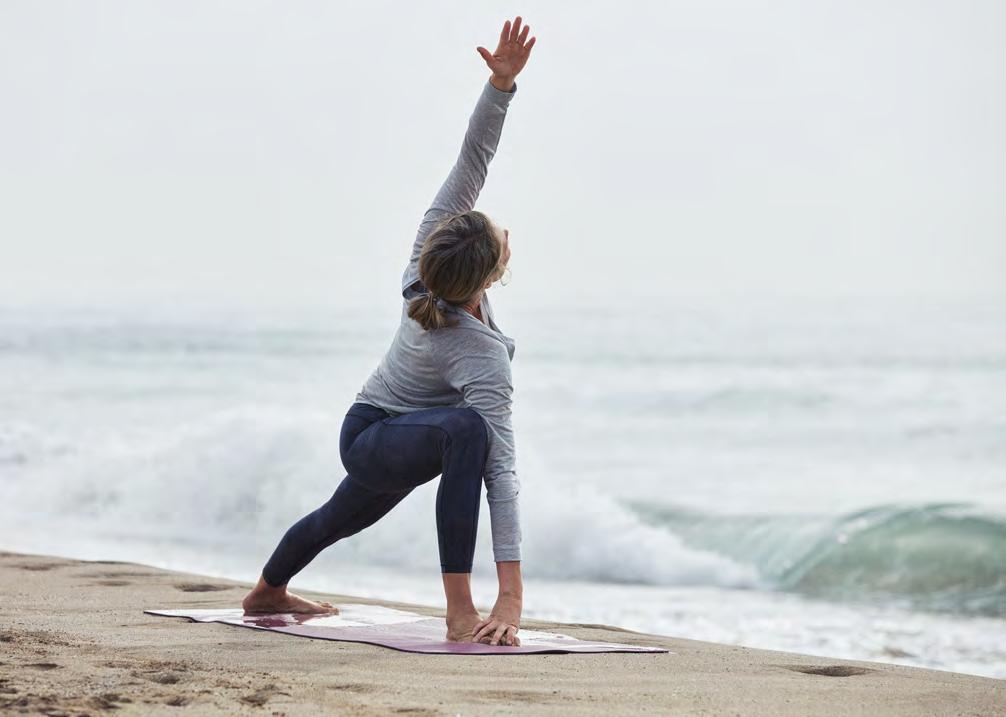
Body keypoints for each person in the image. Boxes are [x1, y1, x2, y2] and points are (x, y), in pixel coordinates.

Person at [242, 16, 536, 648]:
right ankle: (460, 607)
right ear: (493, 272)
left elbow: (473, 159)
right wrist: (508, 595)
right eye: (499, 234)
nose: (503, 230)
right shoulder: (479, 351)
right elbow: (501, 468)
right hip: (380, 433)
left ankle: (268, 590)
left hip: (386, 434)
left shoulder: (427, 252)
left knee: (335, 519)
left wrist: (501, 87)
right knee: (469, 429)